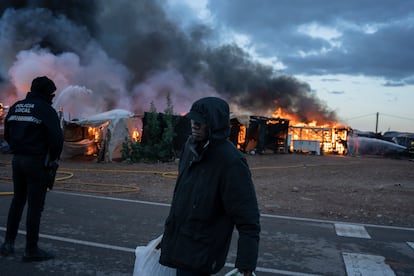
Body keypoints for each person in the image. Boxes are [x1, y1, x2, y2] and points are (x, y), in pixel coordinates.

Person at [159, 97, 261, 276]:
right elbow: (182, 199)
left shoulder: (231, 162)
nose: (194, 125)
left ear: (215, 124)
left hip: (202, 254)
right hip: (180, 245)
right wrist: (168, 236)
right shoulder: (190, 150)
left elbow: (248, 217)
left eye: (201, 121)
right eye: (193, 120)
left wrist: (246, 263)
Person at [0, 76, 64, 262]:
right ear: (46, 93)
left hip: (17, 160)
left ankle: (8, 244)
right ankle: (31, 249)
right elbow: (57, 140)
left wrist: (17, 148)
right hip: (36, 162)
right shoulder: (46, 110)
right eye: (51, 94)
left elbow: (8, 134)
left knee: (18, 201)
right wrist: (52, 159)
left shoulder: (16, 106)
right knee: (35, 206)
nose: (53, 97)